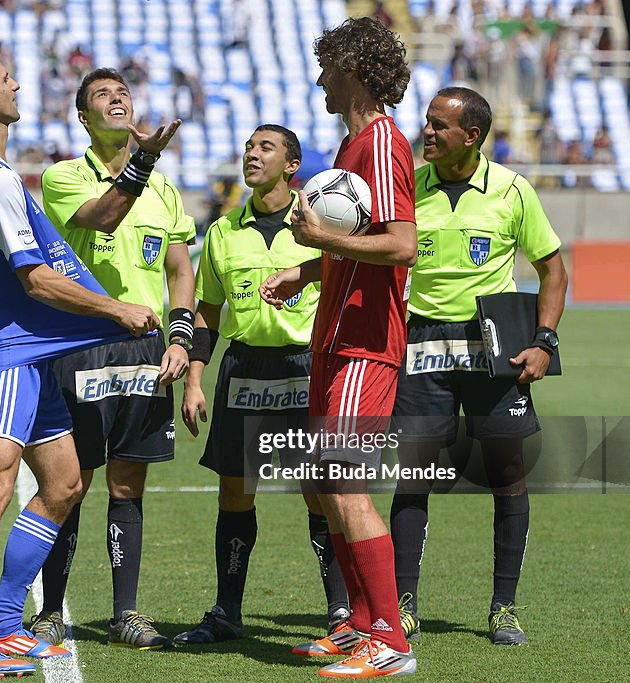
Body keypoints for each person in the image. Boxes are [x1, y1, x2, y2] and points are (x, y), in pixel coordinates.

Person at [0, 44, 160, 677]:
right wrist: (116, 310)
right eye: (7, 80)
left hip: (30, 350)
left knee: (63, 484)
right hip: (7, 349)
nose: (18, 86)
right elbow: (35, 280)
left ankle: (3, 624)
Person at [260, 17, 419, 678]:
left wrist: (323, 244)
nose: (320, 78)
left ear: (351, 69)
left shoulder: (381, 142)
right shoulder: (352, 146)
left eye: (327, 67)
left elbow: (401, 243)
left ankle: (391, 639)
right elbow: (360, 246)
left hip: (364, 343)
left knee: (346, 481)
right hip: (335, 337)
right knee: (326, 481)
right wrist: (306, 270)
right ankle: (360, 625)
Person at [389, 87, 567, 646]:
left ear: (471, 136)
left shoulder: (513, 190)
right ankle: (403, 605)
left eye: (440, 126)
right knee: (414, 474)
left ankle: (503, 608)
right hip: (423, 342)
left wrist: (544, 342)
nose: (428, 132)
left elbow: (552, 271)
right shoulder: (407, 189)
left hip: (495, 342)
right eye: (427, 122)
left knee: (508, 475)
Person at [31, 67, 194, 650]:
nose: (116, 98)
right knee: (69, 483)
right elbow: (104, 214)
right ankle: (50, 610)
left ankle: (126, 613)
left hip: (146, 350)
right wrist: (143, 163)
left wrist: (180, 339)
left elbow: (180, 271)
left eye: (122, 92)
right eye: (102, 95)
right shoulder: (62, 176)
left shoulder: (167, 189)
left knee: (128, 486)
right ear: (83, 117)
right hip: (80, 342)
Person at [173, 125, 353, 646]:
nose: (251, 154)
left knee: (320, 494)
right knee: (235, 493)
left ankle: (341, 613)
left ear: (292, 164)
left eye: (265, 147)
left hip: (306, 368)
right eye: (248, 146)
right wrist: (195, 381)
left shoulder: (325, 221)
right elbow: (207, 311)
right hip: (243, 370)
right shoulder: (225, 231)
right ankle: (227, 611)